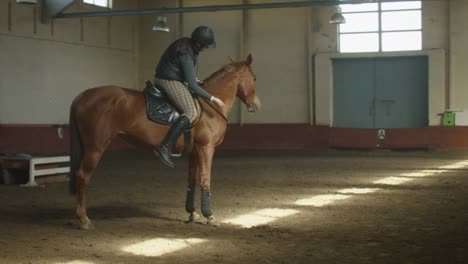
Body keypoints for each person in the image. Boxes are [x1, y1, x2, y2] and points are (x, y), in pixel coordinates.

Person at [153, 25, 225, 168]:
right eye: (206, 45)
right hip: (168, 80)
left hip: (173, 76)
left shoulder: (188, 45)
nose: (207, 48)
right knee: (191, 112)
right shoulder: (186, 53)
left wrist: (192, 78)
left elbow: (183, 71)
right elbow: (192, 86)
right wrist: (212, 98)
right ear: (199, 44)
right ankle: (164, 146)